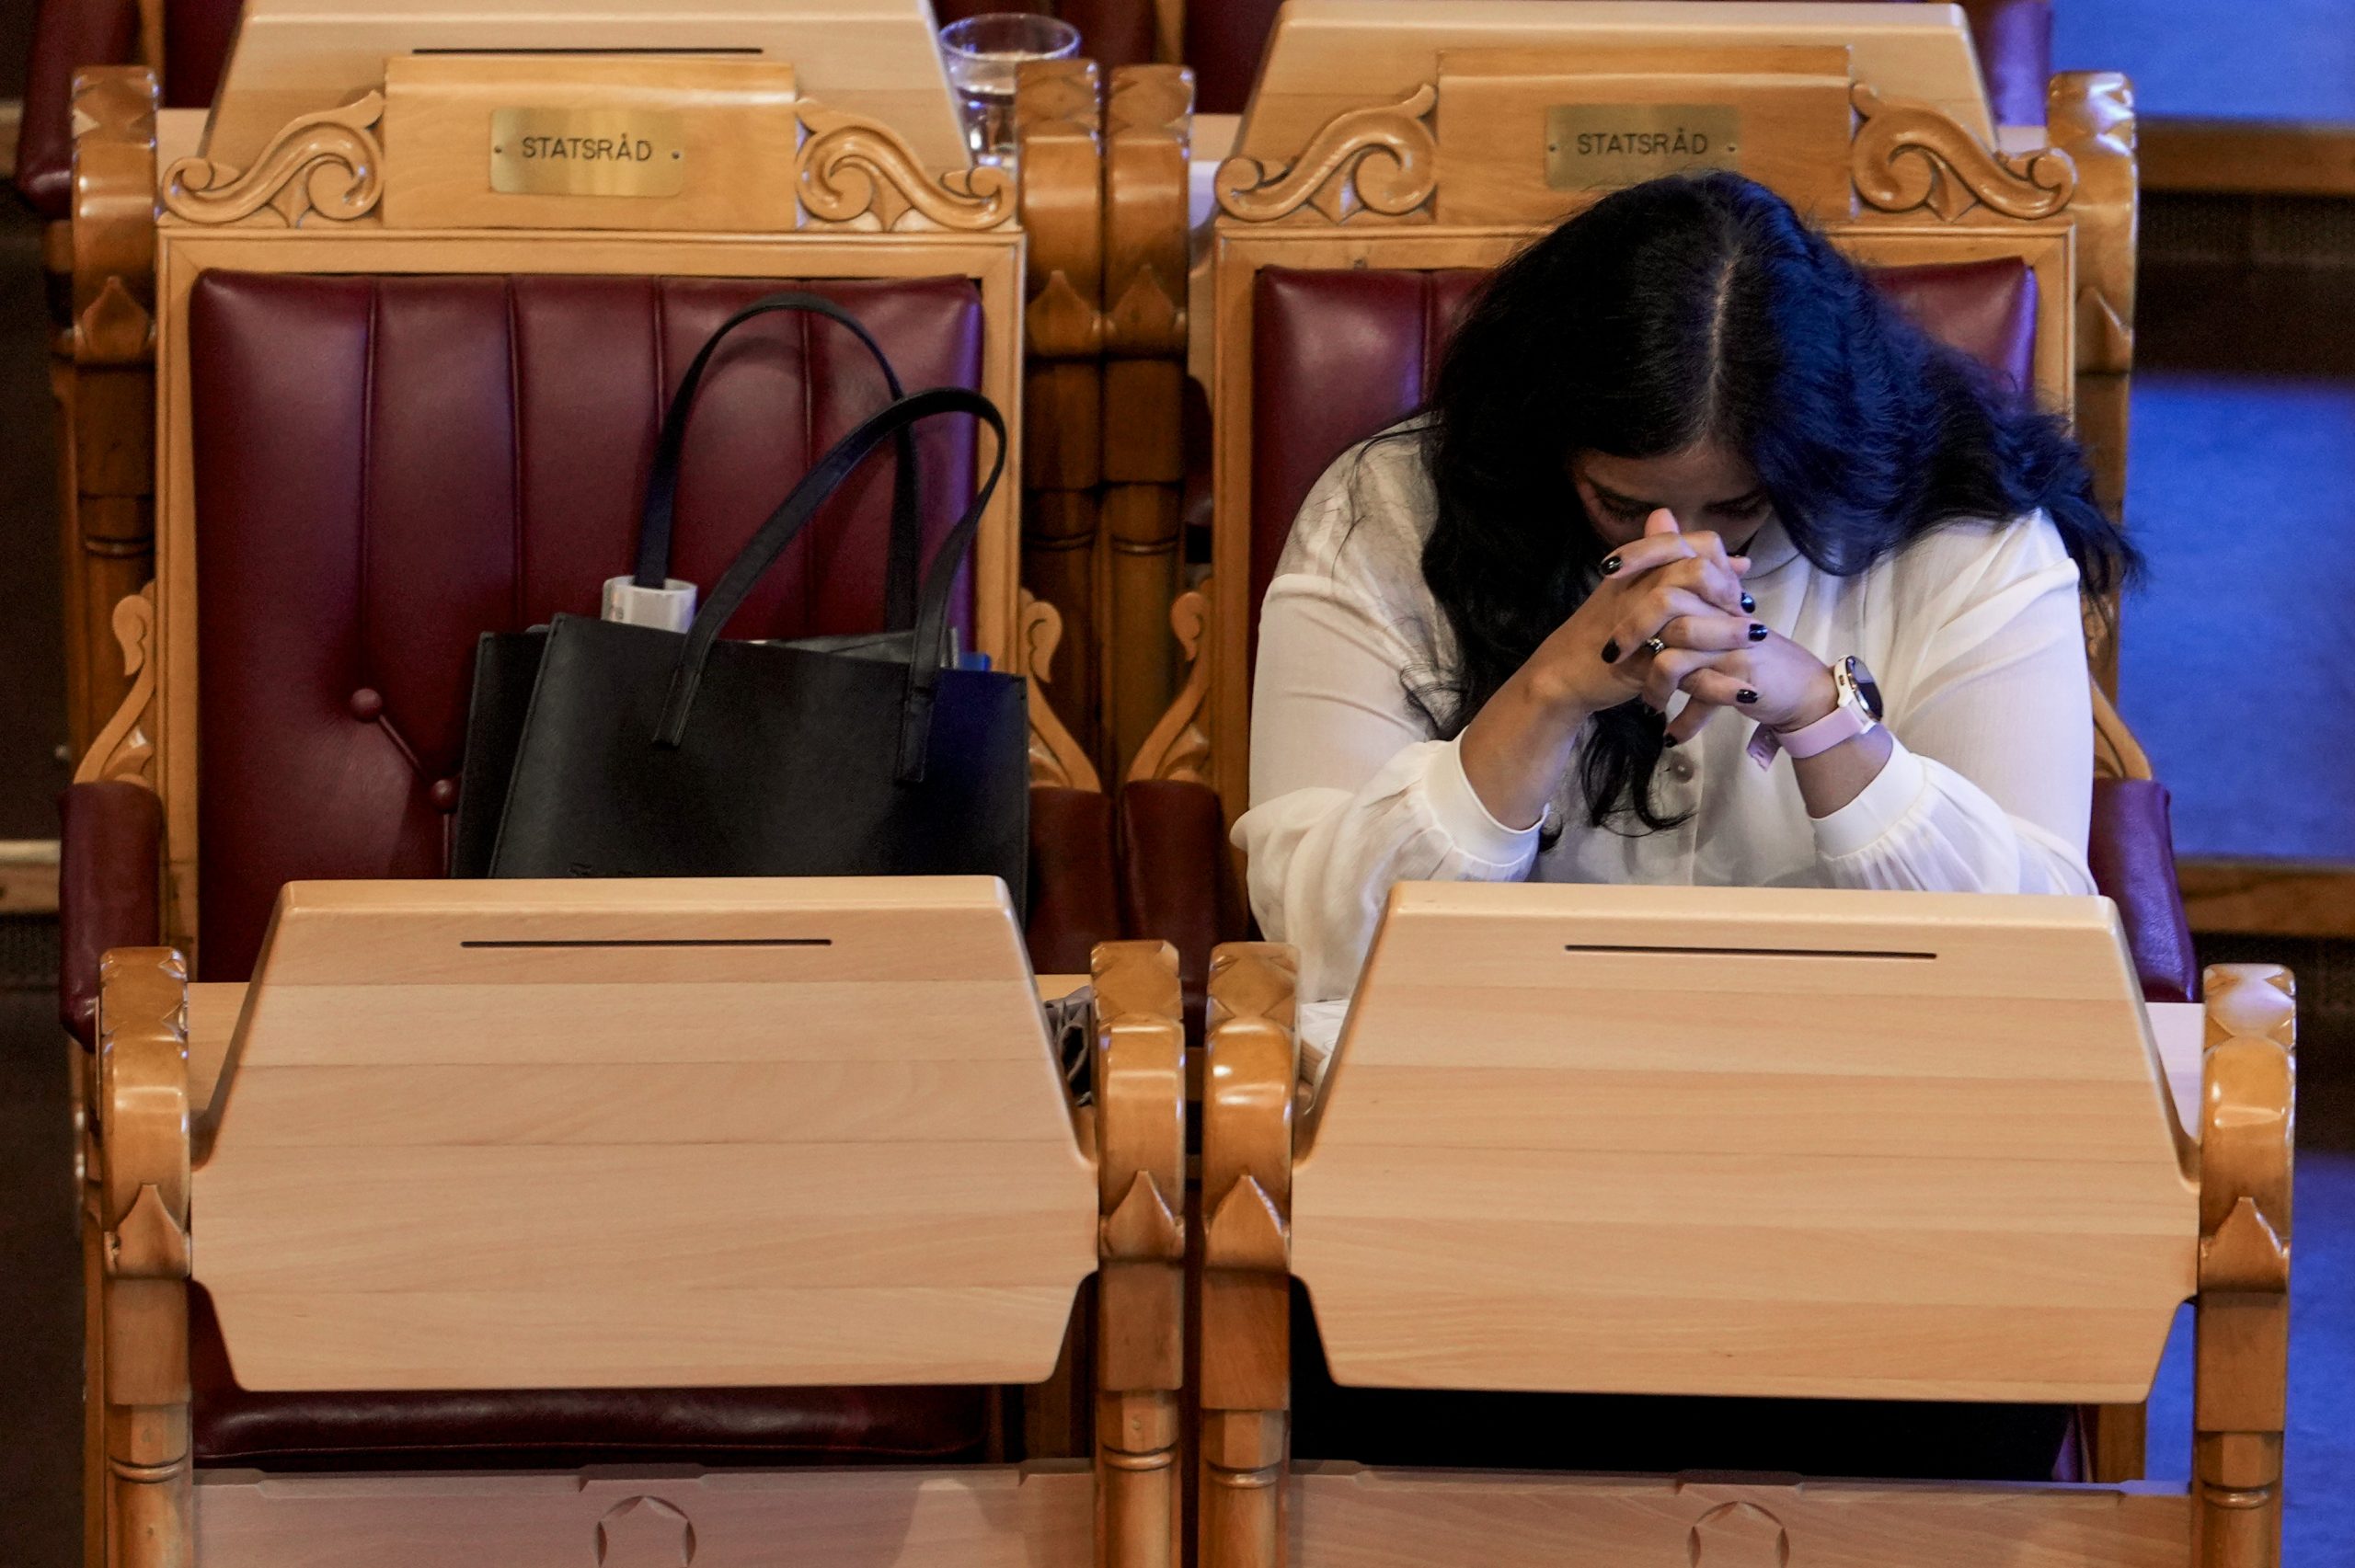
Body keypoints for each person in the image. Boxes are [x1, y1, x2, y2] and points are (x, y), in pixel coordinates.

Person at [1237, 171, 2132, 1070]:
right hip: (1494, 1071)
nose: (1679, 554)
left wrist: (1823, 717)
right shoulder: (1387, 510)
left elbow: (2038, 949)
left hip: (1856, 1073)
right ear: (1551, 447)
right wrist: (1544, 696)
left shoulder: (1966, 531)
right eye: (1622, 505)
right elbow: (1313, 947)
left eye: (1739, 504)